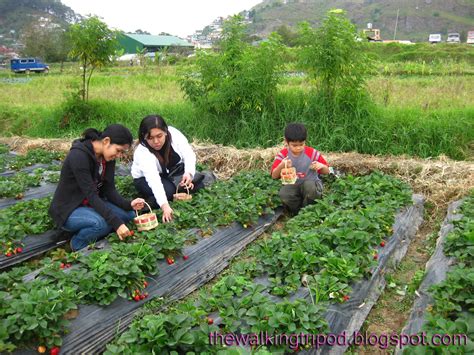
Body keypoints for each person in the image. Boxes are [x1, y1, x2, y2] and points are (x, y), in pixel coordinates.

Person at [48, 124, 145, 251]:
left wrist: (128, 204)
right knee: (101, 224)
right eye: (119, 150)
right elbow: (91, 195)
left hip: (90, 204)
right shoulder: (79, 156)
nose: (119, 155)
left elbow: (108, 190)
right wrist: (116, 223)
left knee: (129, 215)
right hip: (69, 209)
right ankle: (77, 244)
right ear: (106, 141)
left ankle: (90, 227)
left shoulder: (108, 157)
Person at [131, 115, 205, 223]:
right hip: (144, 179)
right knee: (168, 191)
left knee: (197, 183)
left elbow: (188, 154)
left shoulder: (174, 134)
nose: (156, 141)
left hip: (170, 172)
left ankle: (173, 190)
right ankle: (148, 204)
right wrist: (165, 206)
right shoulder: (142, 153)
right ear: (144, 137)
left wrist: (188, 173)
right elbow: (154, 180)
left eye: (159, 136)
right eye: (150, 138)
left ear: (165, 131)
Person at [271, 122, 330, 214]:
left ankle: (309, 211)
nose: (298, 148)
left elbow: (326, 171)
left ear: (305, 141)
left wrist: (321, 166)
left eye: (301, 144)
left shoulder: (312, 153)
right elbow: (274, 176)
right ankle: (298, 213)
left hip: (311, 185)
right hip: (293, 185)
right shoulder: (283, 155)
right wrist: (282, 165)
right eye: (294, 145)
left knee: (309, 187)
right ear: (286, 142)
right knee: (284, 193)